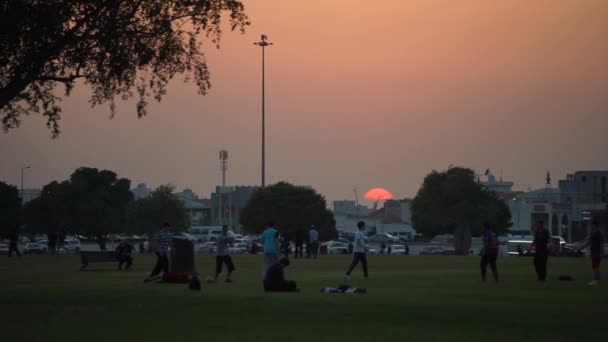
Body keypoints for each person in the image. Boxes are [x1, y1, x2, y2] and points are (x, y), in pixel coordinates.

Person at [578, 221, 604, 285]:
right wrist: (580, 248)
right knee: (595, 266)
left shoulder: (598, 233)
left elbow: (601, 243)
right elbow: (589, 242)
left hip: (597, 252)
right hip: (594, 251)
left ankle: (595, 281)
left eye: (592, 225)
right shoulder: (594, 233)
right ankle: (597, 280)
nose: (591, 226)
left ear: (595, 225)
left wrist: (601, 252)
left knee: (595, 266)